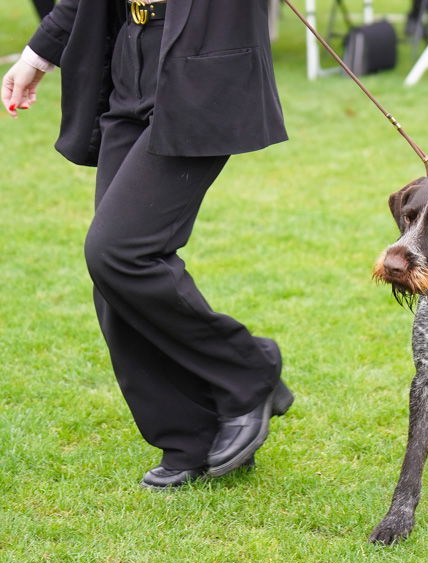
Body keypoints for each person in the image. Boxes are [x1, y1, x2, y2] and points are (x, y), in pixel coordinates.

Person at [2, 0, 294, 489]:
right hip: (130, 56)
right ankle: (190, 436)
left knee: (119, 253)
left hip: (205, 71)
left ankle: (248, 373)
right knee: (113, 277)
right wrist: (38, 54)